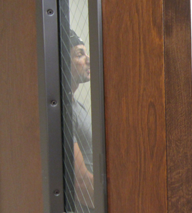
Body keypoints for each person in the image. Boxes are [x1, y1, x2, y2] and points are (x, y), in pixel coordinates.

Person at [69, 30, 94, 212]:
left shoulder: (79, 107)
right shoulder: (63, 111)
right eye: (80, 54)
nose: (89, 59)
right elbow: (81, 182)